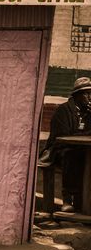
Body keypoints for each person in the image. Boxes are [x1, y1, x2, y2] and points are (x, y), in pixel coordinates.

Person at [41, 77, 91, 212]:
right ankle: (67, 199)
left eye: (90, 93)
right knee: (72, 156)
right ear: (77, 95)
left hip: (83, 150)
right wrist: (84, 134)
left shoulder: (88, 112)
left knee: (84, 158)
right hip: (59, 150)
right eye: (86, 93)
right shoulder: (63, 111)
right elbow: (63, 136)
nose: (89, 97)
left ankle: (84, 202)